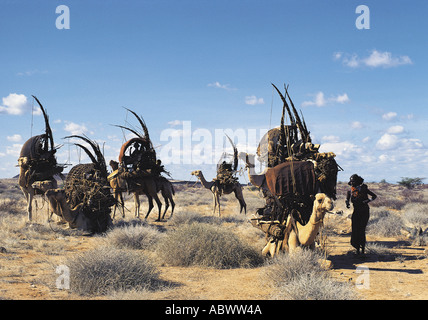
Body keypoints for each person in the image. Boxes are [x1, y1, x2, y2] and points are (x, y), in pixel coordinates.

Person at [346, 174, 377, 255]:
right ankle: (357, 249)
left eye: (353, 181)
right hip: (356, 212)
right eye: (351, 181)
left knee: (361, 230)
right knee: (355, 230)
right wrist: (347, 202)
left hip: (364, 212)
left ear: (357, 181)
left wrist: (367, 201)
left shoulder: (364, 189)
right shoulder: (350, 190)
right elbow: (347, 199)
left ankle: (362, 250)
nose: (352, 183)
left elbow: (374, 196)